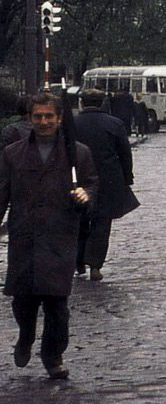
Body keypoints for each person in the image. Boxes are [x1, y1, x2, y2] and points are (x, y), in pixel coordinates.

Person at [0, 92, 98, 380]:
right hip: (25, 237)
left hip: (59, 237)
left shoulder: (77, 153)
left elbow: (92, 184)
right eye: (38, 116)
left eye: (49, 116)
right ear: (30, 119)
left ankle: (53, 355)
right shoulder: (12, 153)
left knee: (57, 304)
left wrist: (86, 195)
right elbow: (1, 194)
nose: (44, 121)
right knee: (23, 300)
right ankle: (26, 336)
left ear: (59, 118)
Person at [73, 90, 139, 282]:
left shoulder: (71, 124)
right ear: (102, 102)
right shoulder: (114, 123)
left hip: (79, 178)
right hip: (108, 179)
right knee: (102, 223)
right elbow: (125, 154)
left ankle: (79, 261)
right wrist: (127, 178)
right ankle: (95, 265)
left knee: (79, 220)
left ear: (82, 103)